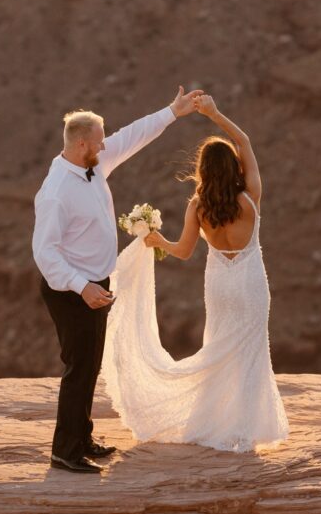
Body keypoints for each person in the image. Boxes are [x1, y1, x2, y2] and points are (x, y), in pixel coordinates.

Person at [101, 93, 289, 454]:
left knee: (216, 348)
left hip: (218, 284)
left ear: (203, 170)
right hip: (249, 283)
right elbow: (245, 140)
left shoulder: (199, 205)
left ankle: (210, 421)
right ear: (233, 166)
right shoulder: (250, 196)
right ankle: (244, 433)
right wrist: (215, 115)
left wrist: (159, 240)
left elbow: (184, 252)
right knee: (250, 353)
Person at [32, 85, 203, 474]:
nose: (106, 144)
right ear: (80, 145)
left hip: (95, 285)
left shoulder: (92, 164)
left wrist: (172, 112)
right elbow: (45, 253)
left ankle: (82, 436)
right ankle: (65, 451)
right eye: (98, 140)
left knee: (90, 364)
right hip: (73, 291)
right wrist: (84, 287)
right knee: (79, 368)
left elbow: (132, 136)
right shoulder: (57, 191)